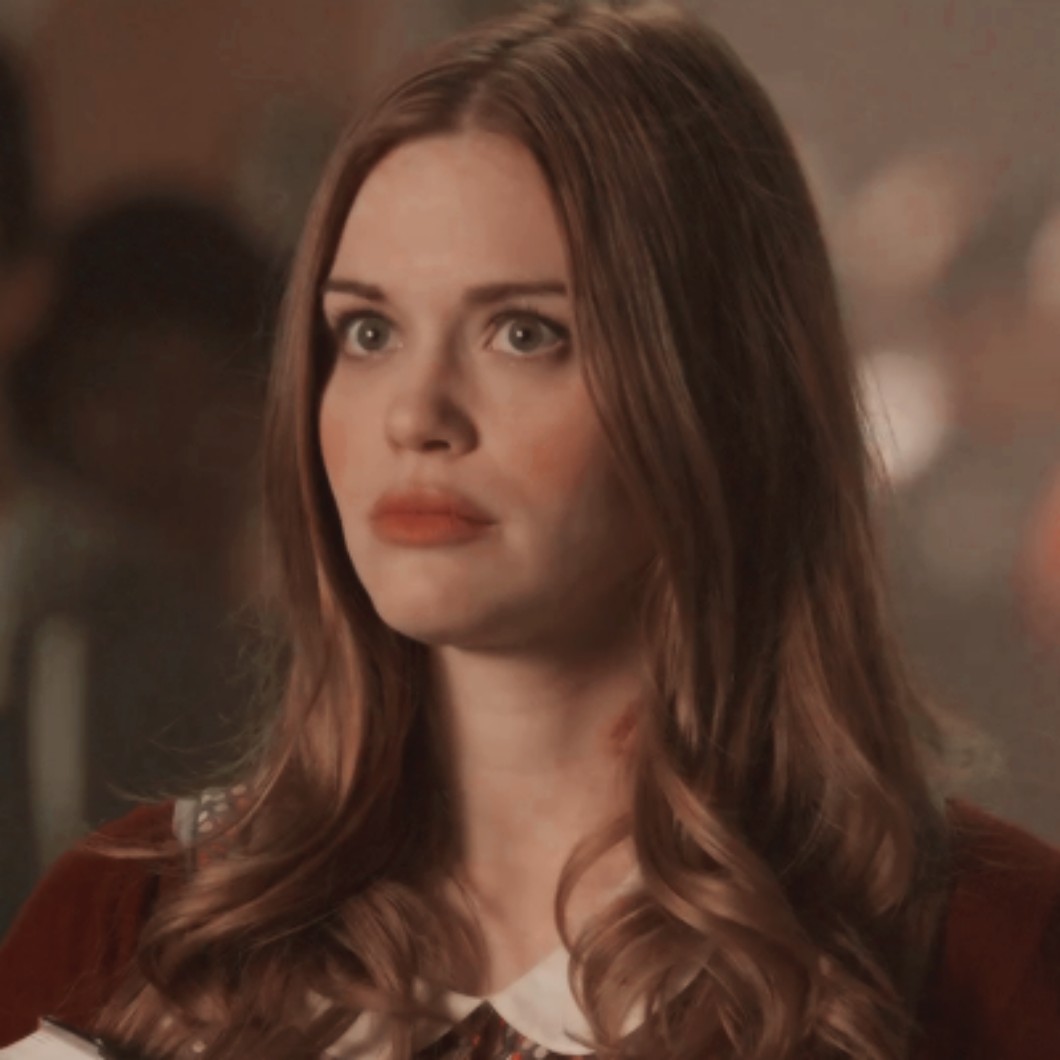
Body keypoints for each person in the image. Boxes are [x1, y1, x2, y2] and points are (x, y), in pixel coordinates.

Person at [1, 2, 1057, 1057]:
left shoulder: (988, 951)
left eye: (522, 332)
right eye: (367, 331)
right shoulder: (129, 928)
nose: (416, 414)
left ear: (719, 390)